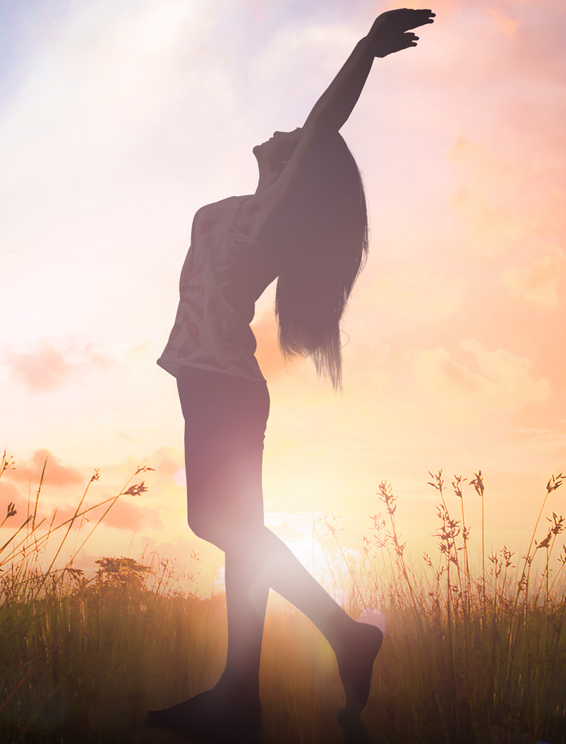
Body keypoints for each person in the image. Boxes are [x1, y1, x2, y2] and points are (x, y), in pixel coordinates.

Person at [148, 8, 435, 741]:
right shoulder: (249, 210)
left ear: (296, 168)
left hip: (224, 386)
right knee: (238, 533)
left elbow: (322, 121)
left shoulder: (269, 216)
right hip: (212, 385)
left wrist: (365, 50)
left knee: (219, 525)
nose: (283, 132)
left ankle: (341, 637)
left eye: (295, 139)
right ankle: (238, 699)